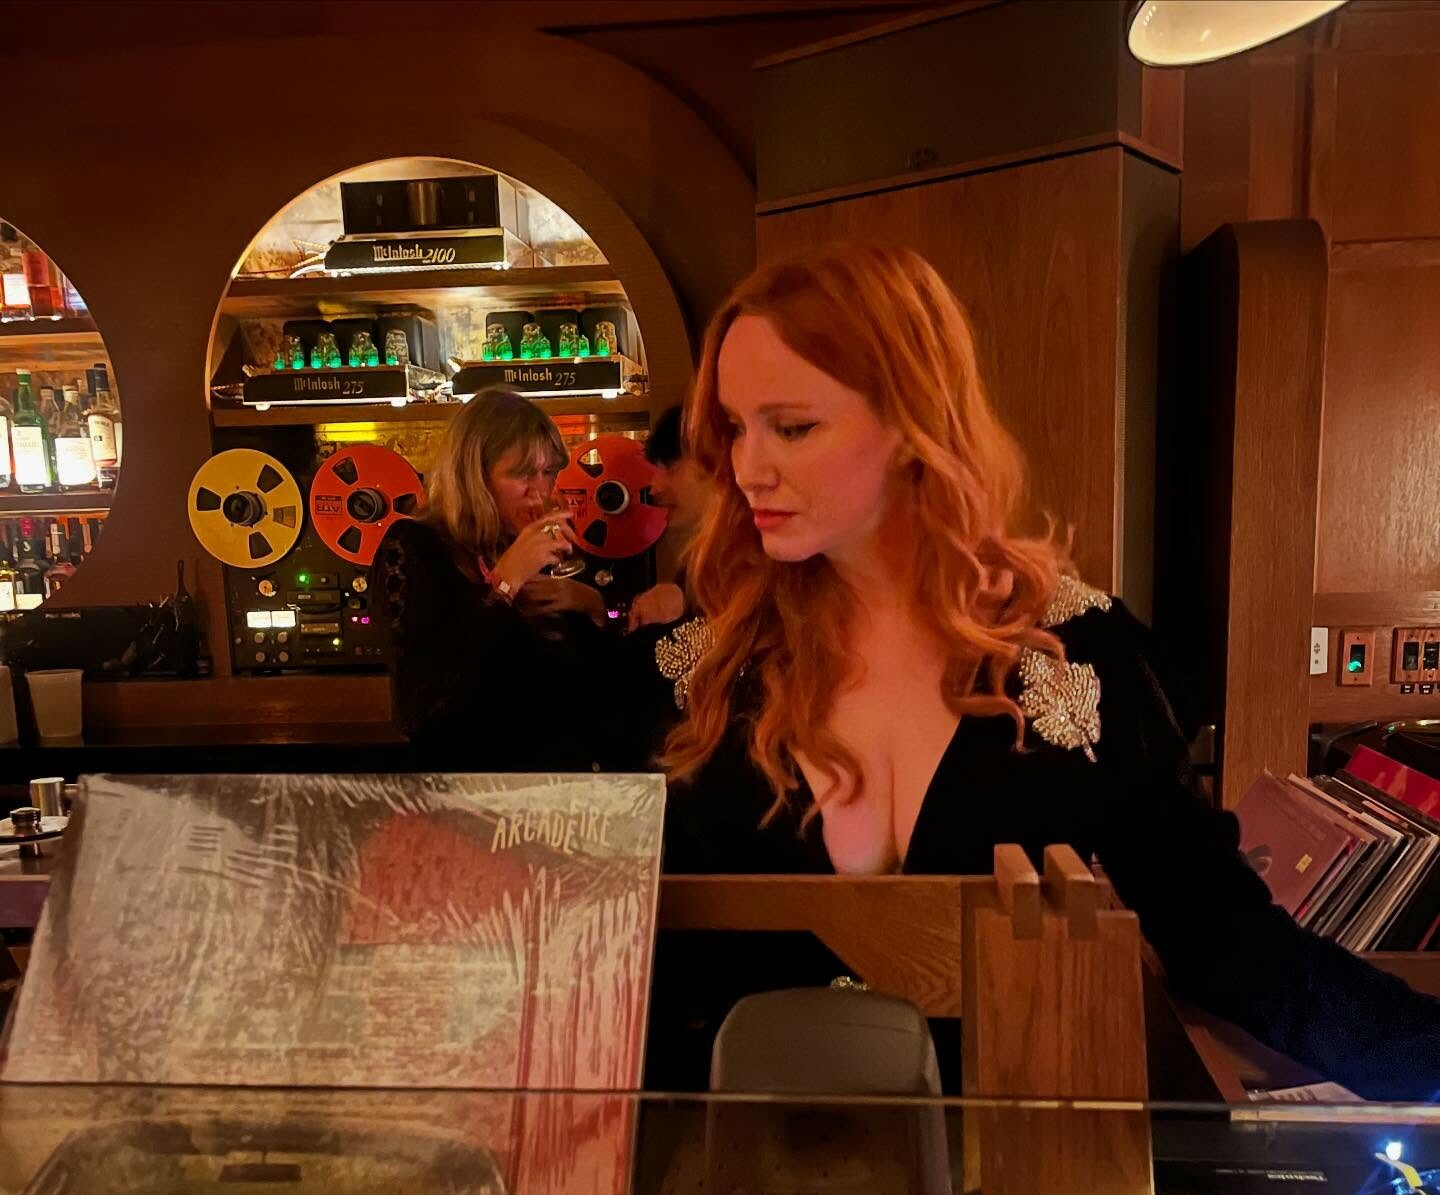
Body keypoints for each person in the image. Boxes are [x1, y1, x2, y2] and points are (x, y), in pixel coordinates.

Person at [648, 242, 1440, 1101]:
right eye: (735, 427)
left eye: (792, 427)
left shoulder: (1082, 654)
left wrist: (1426, 1057)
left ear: (914, 420)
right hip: (729, 1165)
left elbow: (1222, 936)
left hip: (1016, 1160)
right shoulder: (698, 672)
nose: (747, 468)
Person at [376, 388, 631, 771]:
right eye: (523, 473)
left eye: (548, 472)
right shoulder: (414, 546)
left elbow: (597, 695)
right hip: (474, 794)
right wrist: (506, 583)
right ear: (474, 476)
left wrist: (594, 609)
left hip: (561, 793)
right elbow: (422, 710)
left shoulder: (524, 547)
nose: (540, 490)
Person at [626, 404, 716, 632]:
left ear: (716, 463)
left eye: (671, 468)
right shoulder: (702, 565)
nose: (654, 488)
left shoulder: (759, 566)